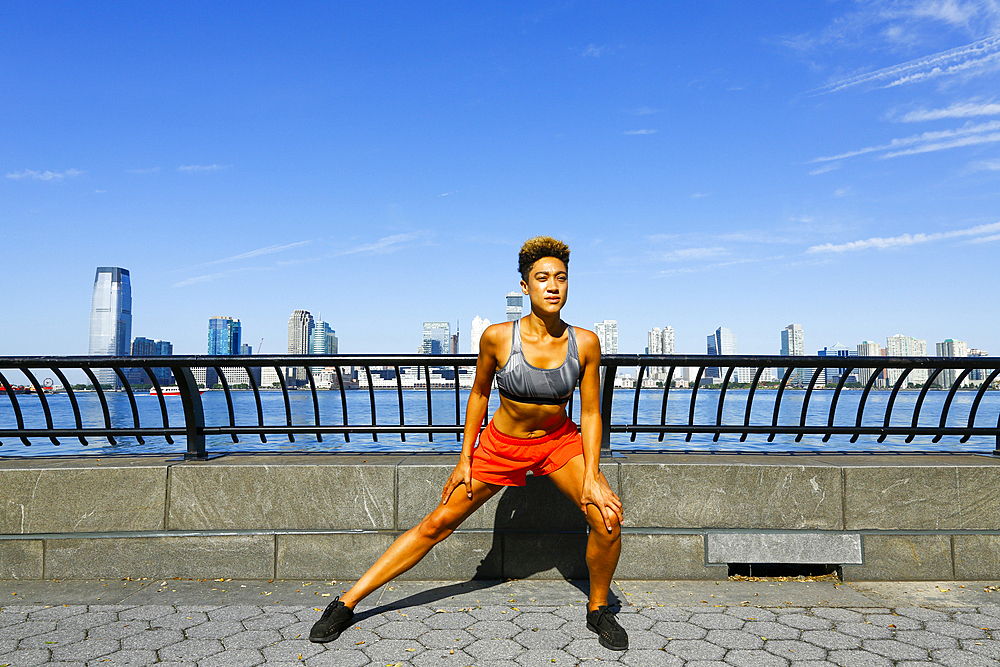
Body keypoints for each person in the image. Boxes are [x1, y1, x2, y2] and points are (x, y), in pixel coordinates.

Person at [309, 236, 627, 651]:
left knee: (607, 518)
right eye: (542, 278)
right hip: (499, 446)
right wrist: (465, 459)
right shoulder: (497, 337)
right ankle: (346, 603)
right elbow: (478, 394)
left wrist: (592, 475)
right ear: (525, 285)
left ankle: (598, 609)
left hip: (558, 443)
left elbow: (589, 414)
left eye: (561, 278)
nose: (553, 286)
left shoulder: (584, 342)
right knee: (437, 523)